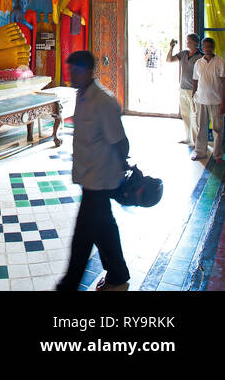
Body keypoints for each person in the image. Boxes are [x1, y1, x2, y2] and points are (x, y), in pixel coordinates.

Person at [57, 50, 131, 292]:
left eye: (75, 71)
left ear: (88, 71)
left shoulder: (103, 101)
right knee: (104, 227)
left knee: (83, 236)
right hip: (89, 176)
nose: (71, 75)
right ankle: (118, 273)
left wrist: (121, 171)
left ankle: (68, 286)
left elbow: (121, 141)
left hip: (100, 179)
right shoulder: (82, 96)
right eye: (70, 71)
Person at [191, 37, 224, 163]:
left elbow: (224, 82)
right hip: (201, 100)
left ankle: (218, 155)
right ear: (202, 48)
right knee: (201, 128)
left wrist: (223, 103)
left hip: (216, 101)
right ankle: (200, 152)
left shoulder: (220, 61)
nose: (208, 49)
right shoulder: (198, 63)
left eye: (210, 46)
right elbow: (195, 80)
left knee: (217, 129)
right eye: (205, 46)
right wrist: (193, 96)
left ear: (213, 47)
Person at [167, 34, 202, 146]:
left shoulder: (200, 56)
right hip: (183, 89)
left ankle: (196, 141)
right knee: (185, 114)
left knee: (194, 116)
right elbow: (169, 60)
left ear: (195, 43)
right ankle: (188, 138)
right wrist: (171, 48)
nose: (187, 43)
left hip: (194, 90)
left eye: (188, 41)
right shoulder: (183, 54)